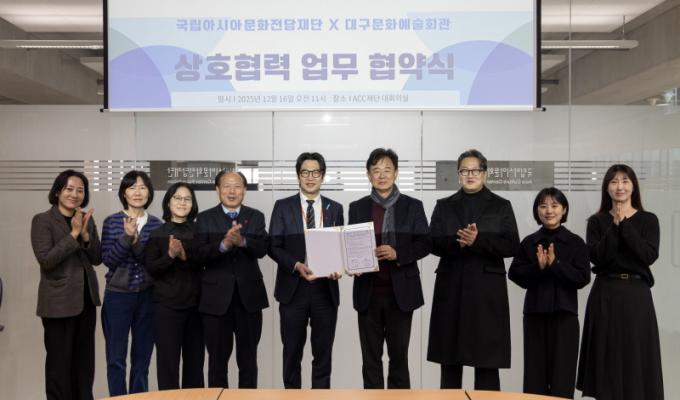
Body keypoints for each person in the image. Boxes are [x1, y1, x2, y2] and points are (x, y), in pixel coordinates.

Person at [427, 149, 519, 390]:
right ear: (458, 175)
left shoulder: (501, 205)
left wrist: (478, 241)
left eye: (475, 170)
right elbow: (431, 243)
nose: (470, 174)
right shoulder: (444, 206)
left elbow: (512, 245)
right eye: (464, 170)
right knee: (449, 362)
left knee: (487, 362)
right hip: (451, 290)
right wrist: (459, 242)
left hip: (487, 292)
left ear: (485, 174)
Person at [576, 164, 664, 400]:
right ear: (607, 188)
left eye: (625, 181)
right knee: (607, 354)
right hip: (605, 293)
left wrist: (625, 225)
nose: (619, 186)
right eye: (614, 181)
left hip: (636, 294)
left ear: (633, 186)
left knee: (635, 354)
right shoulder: (597, 221)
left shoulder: (648, 219)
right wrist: (614, 228)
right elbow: (597, 257)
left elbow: (648, 255)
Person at [348, 148, 430, 389]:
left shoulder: (413, 206)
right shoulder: (357, 207)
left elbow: (425, 243)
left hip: (401, 294)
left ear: (396, 173)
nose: (381, 175)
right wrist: (352, 262)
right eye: (376, 170)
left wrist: (398, 253)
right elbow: (350, 243)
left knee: (399, 360)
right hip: (368, 292)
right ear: (368, 175)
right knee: (370, 361)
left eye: (387, 170)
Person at [269, 152, 344, 389]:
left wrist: (339, 267)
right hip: (293, 290)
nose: (310, 177)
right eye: (305, 172)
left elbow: (341, 246)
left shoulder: (335, 208)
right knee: (292, 353)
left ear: (322, 175)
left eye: (315, 172)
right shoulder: (282, 207)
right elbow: (273, 246)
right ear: (298, 176)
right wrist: (295, 265)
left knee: (323, 356)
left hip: (325, 289)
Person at [508, 187, 590, 398]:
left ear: (564, 210)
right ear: (537, 211)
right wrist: (538, 267)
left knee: (563, 376)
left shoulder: (576, 242)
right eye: (543, 206)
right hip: (534, 316)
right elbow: (515, 274)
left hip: (565, 317)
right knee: (534, 377)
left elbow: (583, 278)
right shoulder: (529, 242)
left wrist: (556, 265)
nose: (549, 211)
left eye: (555, 205)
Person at [30, 169, 101, 400]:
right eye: (69, 189)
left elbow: (97, 258)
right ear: (58, 192)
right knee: (59, 366)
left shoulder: (87, 219)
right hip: (58, 304)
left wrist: (86, 236)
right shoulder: (42, 220)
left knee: (84, 365)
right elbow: (46, 261)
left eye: (80, 190)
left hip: (86, 301)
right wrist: (74, 234)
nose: (75, 194)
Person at [196, 170, 269, 388]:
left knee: (248, 362)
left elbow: (263, 249)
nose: (232, 191)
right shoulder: (204, 218)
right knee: (217, 363)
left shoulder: (256, 216)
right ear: (217, 189)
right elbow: (198, 254)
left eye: (237, 186)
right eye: (226, 186)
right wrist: (223, 245)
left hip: (249, 299)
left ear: (244, 190)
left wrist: (242, 241)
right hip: (216, 301)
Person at [101, 170, 162, 396]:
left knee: (142, 358)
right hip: (117, 297)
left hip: (147, 296)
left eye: (143, 187)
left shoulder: (156, 225)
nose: (138, 192)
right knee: (115, 358)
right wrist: (127, 237)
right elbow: (109, 260)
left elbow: (151, 263)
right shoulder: (112, 222)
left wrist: (135, 243)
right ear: (124, 193)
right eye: (132, 187)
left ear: (149, 193)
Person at [145, 182, 204, 390]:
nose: (182, 202)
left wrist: (184, 255)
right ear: (168, 202)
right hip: (166, 308)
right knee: (168, 365)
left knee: (195, 366)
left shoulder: (200, 230)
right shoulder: (157, 233)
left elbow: (206, 260)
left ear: (193, 204)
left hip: (196, 307)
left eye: (187, 199)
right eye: (177, 198)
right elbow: (151, 268)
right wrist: (170, 255)